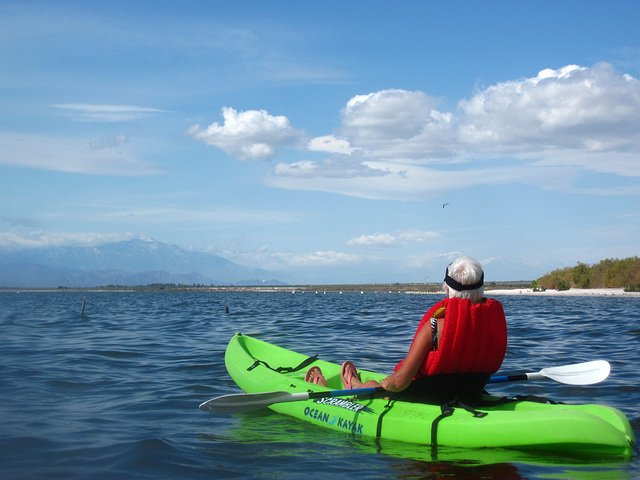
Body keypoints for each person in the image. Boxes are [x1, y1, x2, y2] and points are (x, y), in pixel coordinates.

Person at [305, 256, 508, 406]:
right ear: (482, 289)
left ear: (448, 290)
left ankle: (349, 387)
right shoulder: (493, 323)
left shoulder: (435, 327)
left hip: (427, 400)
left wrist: (388, 382)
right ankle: (353, 383)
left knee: (380, 386)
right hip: (471, 394)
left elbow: (400, 382)